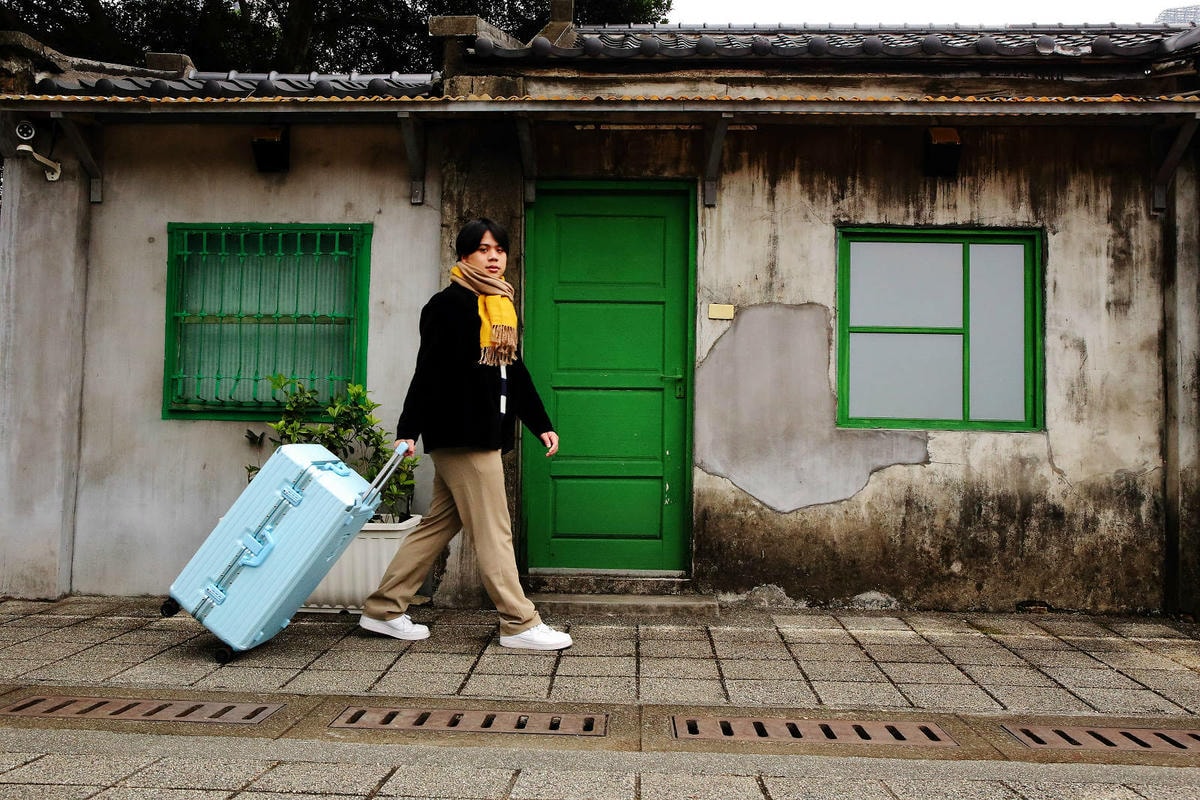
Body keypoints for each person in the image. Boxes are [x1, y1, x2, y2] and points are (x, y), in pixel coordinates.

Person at [358, 218, 572, 651]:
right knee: (494, 529)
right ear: (464, 256)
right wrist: (408, 430)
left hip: (482, 432)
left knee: (438, 525)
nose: (494, 258)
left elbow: (513, 371)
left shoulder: (498, 305)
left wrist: (541, 424)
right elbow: (428, 371)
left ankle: (383, 609)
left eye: (499, 250)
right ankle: (519, 622)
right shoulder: (447, 305)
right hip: (462, 435)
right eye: (483, 249)